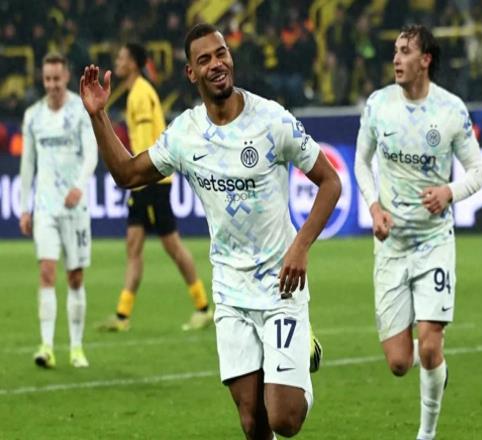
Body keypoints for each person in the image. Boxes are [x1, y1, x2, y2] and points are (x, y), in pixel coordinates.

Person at [80, 23, 340, 439]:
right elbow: (127, 174)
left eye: (222, 54)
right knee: (252, 421)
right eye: (205, 59)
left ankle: (303, 346)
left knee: (284, 419)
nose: (217, 63)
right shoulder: (186, 134)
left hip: (281, 284)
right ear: (191, 73)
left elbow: (330, 182)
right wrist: (98, 116)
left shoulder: (271, 120)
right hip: (230, 290)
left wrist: (300, 247)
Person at [354, 25, 482, 440]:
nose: (396, 58)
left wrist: (449, 192)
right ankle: (435, 364)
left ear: (425, 60)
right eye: (395, 50)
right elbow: (361, 163)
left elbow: (478, 173)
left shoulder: (450, 110)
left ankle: (426, 434)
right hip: (391, 245)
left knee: (429, 343)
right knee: (398, 362)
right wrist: (374, 206)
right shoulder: (378, 105)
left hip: (433, 242)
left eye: (406, 51)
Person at [97, 42, 212, 332]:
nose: (117, 61)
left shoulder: (140, 93)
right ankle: (122, 315)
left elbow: (150, 142)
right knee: (133, 245)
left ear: (133, 63)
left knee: (172, 245)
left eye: (122, 57)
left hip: (151, 180)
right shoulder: (137, 92)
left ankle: (202, 307)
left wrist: (141, 177)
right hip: (145, 180)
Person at [20, 52, 98, 369]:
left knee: (75, 277)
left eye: (57, 78)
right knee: (47, 272)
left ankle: (76, 348)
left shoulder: (80, 110)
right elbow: (27, 164)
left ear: (66, 77)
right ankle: (47, 346)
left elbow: (92, 153)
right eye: (47, 79)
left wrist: (79, 185)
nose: (52, 84)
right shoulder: (33, 116)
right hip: (45, 207)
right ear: (43, 79)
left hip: (75, 207)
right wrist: (24, 207)